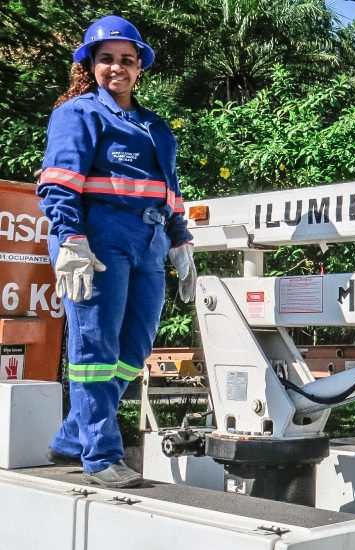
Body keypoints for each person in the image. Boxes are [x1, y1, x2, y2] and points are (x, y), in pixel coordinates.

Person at [37, 15, 196, 488]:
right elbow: (59, 182)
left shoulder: (155, 126)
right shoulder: (79, 114)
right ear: (91, 63)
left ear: (139, 67)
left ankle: (72, 436)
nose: (117, 68)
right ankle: (101, 454)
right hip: (95, 239)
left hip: (149, 242)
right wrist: (70, 238)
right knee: (94, 348)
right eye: (106, 59)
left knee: (135, 348)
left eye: (127, 60)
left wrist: (181, 240)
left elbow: (170, 191)